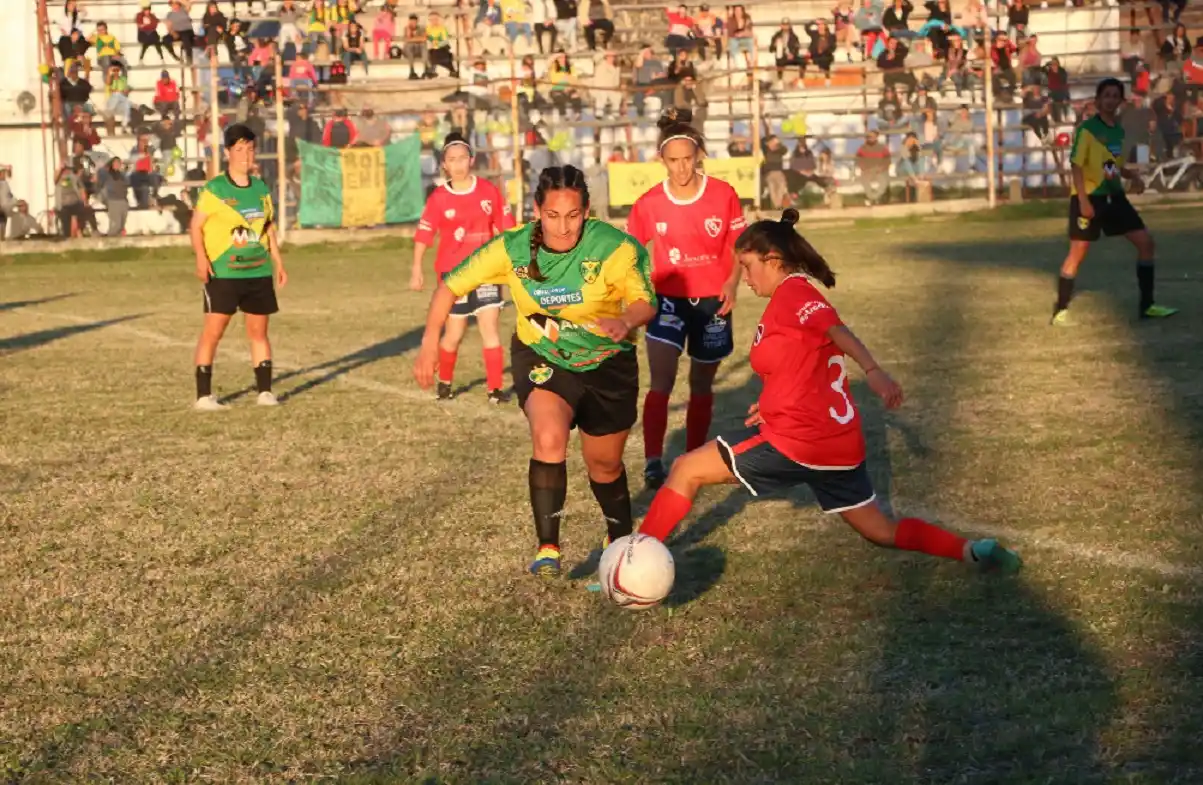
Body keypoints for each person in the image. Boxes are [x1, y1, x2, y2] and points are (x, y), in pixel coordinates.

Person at [638, 210, 1023, 574]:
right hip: (838, 447)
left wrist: (873, 370)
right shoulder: (787, 299)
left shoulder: (795, 293)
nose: (745, 277)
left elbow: (834, 330)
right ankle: (973, 551)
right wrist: (771, 402)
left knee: (685, 468)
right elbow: (804, 363)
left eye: (747, 266)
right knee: (880, 530)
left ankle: (632, 561)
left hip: (801, 441)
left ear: (773, 259)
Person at [413, 166, 657, 578]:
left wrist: (626, 321)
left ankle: (618, 536)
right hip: (543, 355)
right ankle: (548, 546)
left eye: (574, 215)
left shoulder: (614, 247)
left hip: (608, 364)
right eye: (553, 216)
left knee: (605, 466)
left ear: (587, 211)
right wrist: (428, 345)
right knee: (548, 435)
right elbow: (449, 286)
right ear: (536, 211)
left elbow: (645, 301)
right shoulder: (512, 247)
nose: (563, 227)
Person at [624, 109, 747, 489]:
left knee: (700, 384)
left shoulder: (724, 195)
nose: (681, 168)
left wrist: (732, 283)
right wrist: (635, 295)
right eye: (673, 161)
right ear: (662, 160)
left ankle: (693, 456)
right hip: (667, 302)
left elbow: (737, 245)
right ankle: (653, 461)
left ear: (699, 156)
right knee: (661, 380)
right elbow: (631, 253)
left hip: (712, 302)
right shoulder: (648, 203)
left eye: (687, 159)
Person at [1053, 78, 1177, 325]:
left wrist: (1131, 176)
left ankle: (1147, 306)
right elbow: (1077, 166)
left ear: (1120, 101)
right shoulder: (1087, 129)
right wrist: (1084, 201)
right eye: (1106, 95)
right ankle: (1060, 310)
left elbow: (1110, 163)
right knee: (1077, 253)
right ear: (1098, 100)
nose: (1110, 100)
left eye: (1115, 96)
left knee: (1146, 243)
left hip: (1114, 196)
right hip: (1089, 198)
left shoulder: (1117, 131)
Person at [410, 133, 516, 403]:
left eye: (462, 159)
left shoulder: (488, 191)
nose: (458, 165)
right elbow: (424, 234)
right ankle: (445, 382)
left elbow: (507, 227)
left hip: (486, 271)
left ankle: (494, 390)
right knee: (454, 334)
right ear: (444, 164)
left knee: (489, 327)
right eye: (451, 160)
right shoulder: (439, 198)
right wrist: (416, 268)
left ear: (472, 160)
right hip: (453, 275)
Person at [190, 123, 289, 411]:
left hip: (257, 272)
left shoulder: (260, 188)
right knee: (213, 332)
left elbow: (267, 227)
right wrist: (201, 258)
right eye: (239, 149)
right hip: (224, 273)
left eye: (250, 149)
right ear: (228, 152)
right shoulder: (216, 188)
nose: (246, 155)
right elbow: (196, 227)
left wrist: (278, 262)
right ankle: (204, 396)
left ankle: (265, 392)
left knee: (259, 331)